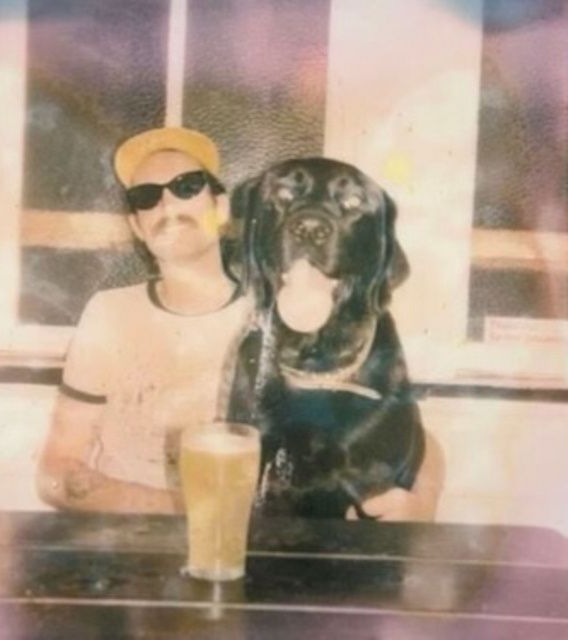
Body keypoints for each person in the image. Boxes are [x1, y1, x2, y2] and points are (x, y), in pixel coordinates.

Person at [37, 126, 444, 519]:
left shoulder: (294, 307)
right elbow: (55, 471)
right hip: (130, 538)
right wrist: (190, 510)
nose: (168, 206)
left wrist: (421, 502)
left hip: (247, 539)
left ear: (221, 208)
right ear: (136, 227)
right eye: (146, 197)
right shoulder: (110, 313)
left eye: (186, 186)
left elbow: (405, 430)